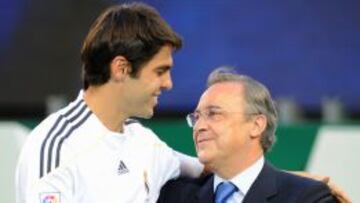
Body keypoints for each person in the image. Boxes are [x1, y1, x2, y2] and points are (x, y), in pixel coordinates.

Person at [15, 3, 203, 203]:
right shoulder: (57, 147)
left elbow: (208, 169)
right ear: (121, 69)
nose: (168, 84)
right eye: (160, 71)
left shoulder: (146, 142)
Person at [157, 67, 341, 203]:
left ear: (256, 125)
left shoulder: (308, 198)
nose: (199, 126)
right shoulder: (173, 196)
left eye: (213, 114)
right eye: (196, 117)